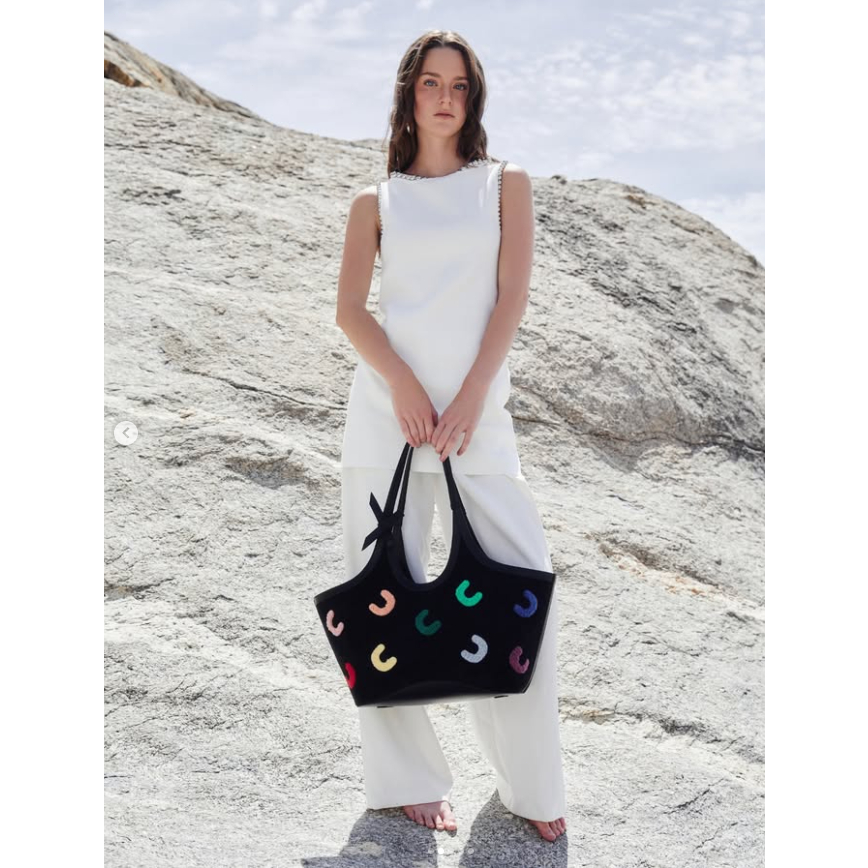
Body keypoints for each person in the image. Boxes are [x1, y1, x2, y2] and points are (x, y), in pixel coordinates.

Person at [334, 30, 567, 843]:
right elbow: (350, 311)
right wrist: (402, 385)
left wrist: (470, 397)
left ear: (474, 97)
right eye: (431, 83)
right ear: (410, 93)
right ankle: (405, 780)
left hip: (475, 425)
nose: (445, 97)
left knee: (522, 593)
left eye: (459, 85)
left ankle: (533, 787)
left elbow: (511, 297)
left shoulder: (504, 185)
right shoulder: (375, 201)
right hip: (385, 423)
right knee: (377, 600)